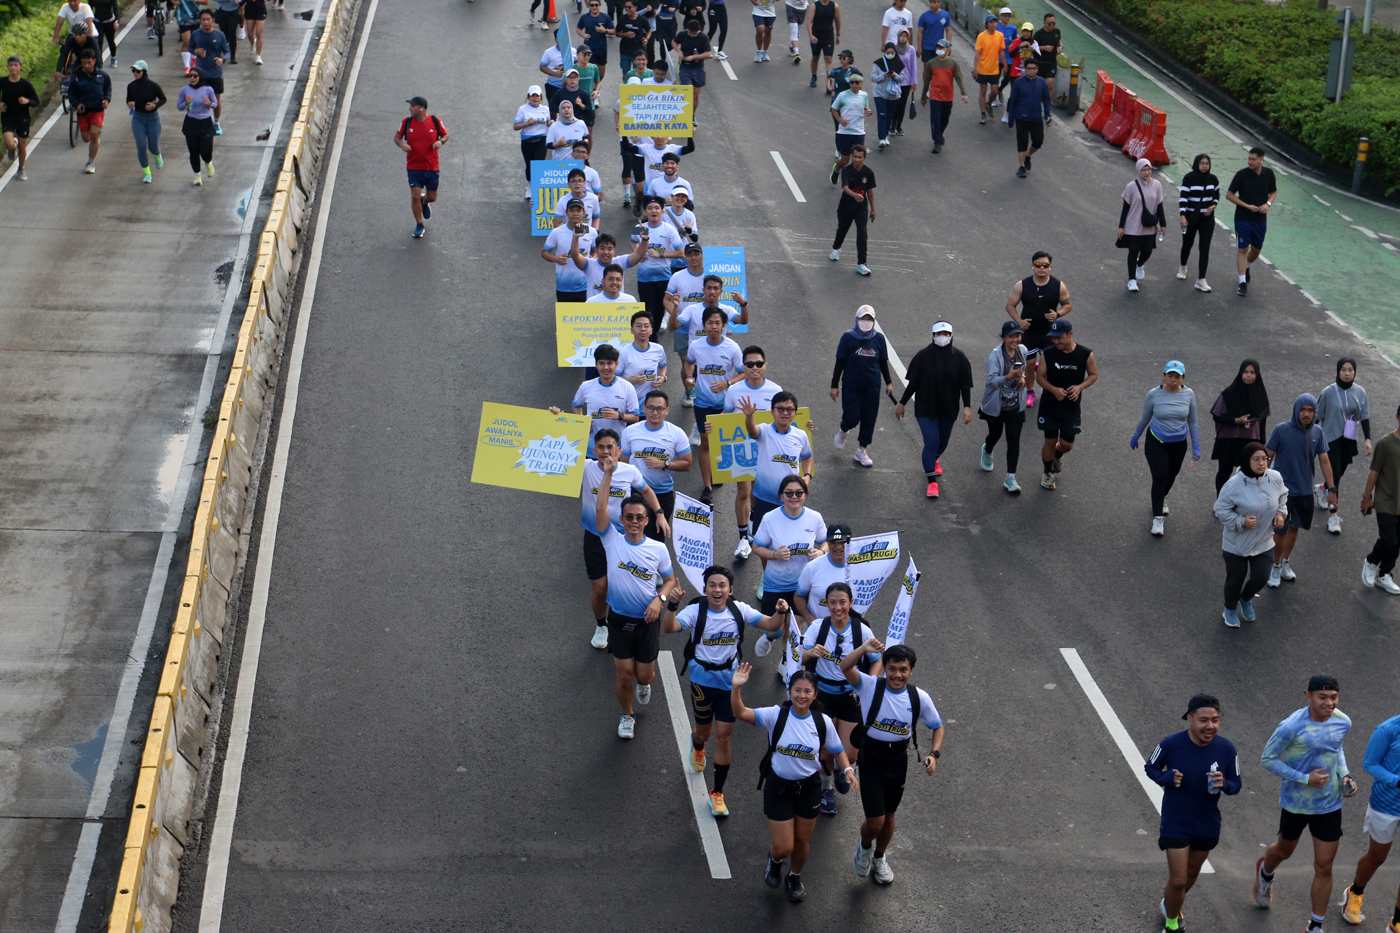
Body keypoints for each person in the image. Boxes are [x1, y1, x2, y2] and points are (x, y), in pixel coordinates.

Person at [660, 566, 787, 816]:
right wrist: (672, 605)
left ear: (731, 590)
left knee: (724, 738)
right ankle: (697, 744)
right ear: (705, 588)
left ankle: (717, 793)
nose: (717, 590)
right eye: (712, 585)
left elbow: (772, 623)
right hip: (701, 681)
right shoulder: (696, 611)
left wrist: (780, 612)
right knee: (705, 733)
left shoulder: (739, 610)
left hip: (730, 682)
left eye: (722, 586)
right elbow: (669, 628)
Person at [732, 663, 852, 903]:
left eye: (807, 691)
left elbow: (838, 749)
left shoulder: (823, 722)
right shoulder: (776, 715)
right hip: (779, 788)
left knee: (802, 843)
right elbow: (740, 713)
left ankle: (794, 877)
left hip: (809, 788)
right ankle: (774, 861)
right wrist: (736, 689)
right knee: (784, 846)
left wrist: (848, 769)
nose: (802, 695)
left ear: (815, 694)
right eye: (797, 690)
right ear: (789, 691)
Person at [1255, 674, 1358, 933]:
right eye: (1322, 697)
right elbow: (1268, 759)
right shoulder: (1291, 726)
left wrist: (1343, 775)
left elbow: (1337, 748)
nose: (1329, 703)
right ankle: (1266, 872)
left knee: (1324, 865)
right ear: (1308, 696)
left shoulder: (1343, 722)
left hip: (1329, 804)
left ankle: (1315, 926)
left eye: (1333, 697)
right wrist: (1304, 778)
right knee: (1284, 851)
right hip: (1295, 804)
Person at [838, 640, 943, 886]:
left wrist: (934, 754)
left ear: (911, 671)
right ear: (885, 668)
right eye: (892, 668)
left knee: (890, 816)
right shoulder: (870, 686)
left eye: (903, 669)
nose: (897, 674)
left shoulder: (920, 697)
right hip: (870, 758)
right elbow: (845, 666)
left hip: (897, 760)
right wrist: (864, 649)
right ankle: (864, 847)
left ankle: (879, 857)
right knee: (876, 821)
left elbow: (937, 727)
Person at [593, 459, 678, 740]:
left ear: (646, 520)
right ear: (622, 520)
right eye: (628, 517)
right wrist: (607, 474)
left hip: (647, 621)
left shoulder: (657, 550)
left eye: (639, 517)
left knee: (645, 677)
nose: (633, 522)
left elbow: (669, 580)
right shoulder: (611, 540)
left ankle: (645, 685)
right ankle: (627, 715)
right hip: (619, 619)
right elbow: (601, 508)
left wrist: (660, 599)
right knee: (624, 675)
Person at [1144, 695, 1241, 931]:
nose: (1210, 726)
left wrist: (1224, 784)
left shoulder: (1227, 748)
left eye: (1215, 720)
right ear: (1189, 719)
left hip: (1206, 824)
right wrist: (1166, 778)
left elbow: (1236, 784)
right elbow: (1150, 767)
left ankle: (1170, 904)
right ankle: (1172, 923)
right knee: (1178, 880)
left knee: (1189, 876)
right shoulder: (1170, 744)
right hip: (1176, 821)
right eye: (1203, 720)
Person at [577, 430, 667, 650]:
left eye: (610, 447)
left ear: (618, 450)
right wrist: (557, 418)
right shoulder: (587, 468)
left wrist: (660, 513)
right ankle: (602, 625)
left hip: (625, 538)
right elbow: (558, 452)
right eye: (600, 447)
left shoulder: (629, 471)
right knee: (600, 589)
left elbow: (647, 491)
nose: (605, 452)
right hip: (597, 536)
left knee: (626, 584)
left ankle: (633, 623)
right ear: (594, 449)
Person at [801, 582, 879, 816]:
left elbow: (877, 659)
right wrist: (810, 653)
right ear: (826, 604)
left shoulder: (861, 630)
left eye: (842, 602)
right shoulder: (818, 627)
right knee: (824, 749)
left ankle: (839, 769)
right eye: (832, 602)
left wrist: (868, 685)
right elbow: (799, 657)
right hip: (823, 695)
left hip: (850, 695)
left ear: (850, 603)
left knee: (851, 752)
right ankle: (826, 790)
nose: (837, 607)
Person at [1265, 393, 1337, 587]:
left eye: (1310, 410)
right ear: (1296, 411)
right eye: (1303, 410)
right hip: (1282, 492)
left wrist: (1332, 489)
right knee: (1280, 531)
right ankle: (1275, 565)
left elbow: (1324, 460)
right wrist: (1259, 482)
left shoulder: (1318, 433)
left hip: (1304, 492)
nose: (1306, 414)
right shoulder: (1281, 430)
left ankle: (1285, 562)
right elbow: (1267, 456)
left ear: (1315, 413)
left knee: (1294, 528)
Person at [1213, 442, 1287, 627]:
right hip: (1237, 543)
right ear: (1247, 461)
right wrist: (1241, 522)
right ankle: (1229, 609)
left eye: (1265, 459)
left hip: (1264, 541)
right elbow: (1220, 509)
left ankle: (1245, 599)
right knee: (1235, 579)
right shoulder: (1233, 485)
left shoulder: (1275, 478)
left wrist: (1280, 513)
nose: (1262, 463)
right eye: (1256, 459)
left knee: (1261, 577)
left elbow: (1283, 496)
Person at [896, 321, 972, 500]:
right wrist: (902, 403)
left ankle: (934, 458)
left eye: (946, 333)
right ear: (933, 335)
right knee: (932, 441)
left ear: (951, 335)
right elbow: (913, 383)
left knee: (942, 443)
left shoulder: (960, 358)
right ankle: (931, 481)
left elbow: (965, 385)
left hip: (948, 407)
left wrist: (967, 407)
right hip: (925, 407)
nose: (942, 337)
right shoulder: (922, 356)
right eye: (939, 334)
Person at [720, 348, 783, 559]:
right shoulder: (734, 391)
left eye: (759, 364)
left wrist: (805, 425)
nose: (754, 368)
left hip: (766, 450)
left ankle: (754, 522)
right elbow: (725, 416)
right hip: (740, 449)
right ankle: (743, 539)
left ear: (765, 366)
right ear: (743, 367)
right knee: (744, 492)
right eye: (750, 364)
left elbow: (786, 417)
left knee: (758, 492)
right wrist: (714, 427)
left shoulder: (775, 391)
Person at [1341, 713, 1400, 927]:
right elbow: (1370, 764)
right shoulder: (1387, 730)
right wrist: (1398, 781)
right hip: (1386, 804)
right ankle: (1355, 892)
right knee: (1377, 857)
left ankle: (1397, 921)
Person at [1129, 361, 1200, 536]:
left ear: (1183, 378)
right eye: (1170, 376)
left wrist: (1196, 447)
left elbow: (1192, 421)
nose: (1173, 380)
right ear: (1164, 375)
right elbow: (1145, 417)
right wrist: (1136, 436)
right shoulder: (1154, 394)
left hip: (1178, 443)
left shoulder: (1189, 394)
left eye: (1177, 376)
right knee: (1160, 476)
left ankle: (1163, 497)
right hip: (1156, 441)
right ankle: (1157, 518)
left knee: (1171, 474)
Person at [687, 307, 745, 505]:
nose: (714, 327)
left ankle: (718, 472)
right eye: (710, 323)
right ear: (704, 325)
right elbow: (689, 363)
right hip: (702, 402)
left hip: (726, 404)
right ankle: (707, 487)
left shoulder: (732, 348)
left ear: (723, 326)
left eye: (718, 323)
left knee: (721, 441)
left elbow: (743, 373)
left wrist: (727, 383)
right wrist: (689, 377)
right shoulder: (696, 346)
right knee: (705, 442)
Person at [1035, 319, 1097, 491]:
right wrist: (1053, 389)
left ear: (1070, 334)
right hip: (1050, 406)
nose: (1055, 342)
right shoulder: (1048, 353)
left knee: (1067, 445)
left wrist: (1080, 387)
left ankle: (1058, 455)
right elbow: (1040, 377)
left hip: (1071, 407)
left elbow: (1093, 374)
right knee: (1050, 441)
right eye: (1053, 338)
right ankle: (1047, 473)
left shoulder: (1085, 354)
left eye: (1059, 338)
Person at [621, 389, 692, 540]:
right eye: (651, 408)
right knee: (632, 536)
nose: (655, 412)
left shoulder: (676, 433)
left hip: (663, 494)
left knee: (656, 540)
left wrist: (665, 463)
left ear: (667, 410)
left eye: (660, 409)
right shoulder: (630, 431)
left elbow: (687, 463)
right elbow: (623, 464)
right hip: (635, 493)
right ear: (644, 409)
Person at [1005, 249, 1071, 407]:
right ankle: (1030, 391)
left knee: (1053, 363)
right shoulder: (1022, 285)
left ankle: (1052, 390)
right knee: (1028, 364)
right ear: (1032, 266)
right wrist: (1019, 321)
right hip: (1029, 333)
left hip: (1050, 334)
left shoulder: (1058, 285)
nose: (1042, 268)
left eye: (1045, 265)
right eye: (1038, 265)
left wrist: (1058, 314)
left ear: (1050, 267)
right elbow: (1010, 305)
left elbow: (1068, 304)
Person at [1314, 358, 1372, 536]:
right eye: (1344, 370)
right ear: (1338, 371)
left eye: (1351, 370)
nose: (1347, 373)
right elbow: (1316, 416)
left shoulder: (1360, 392)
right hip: (1330, 439)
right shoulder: (1328, 392)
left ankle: (1323, 488)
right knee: (1336, 475)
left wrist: (1368, 439)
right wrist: (1307, 437)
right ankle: (1334, 516)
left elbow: (1365, 416)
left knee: (1339, 471)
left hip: (1348, 438)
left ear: (1355, 372)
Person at [831, 305, 895, 468]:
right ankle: (843, 430)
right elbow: (840, 362)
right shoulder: (848, 337)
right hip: (851, 385)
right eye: (863, 319)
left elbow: (883, 362)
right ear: (856, 320)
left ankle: (862, 450)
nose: (866, 322)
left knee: (869, 418)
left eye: (869, 319)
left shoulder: (879, 339)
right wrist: (834, 385)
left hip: (872, 386)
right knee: (852, 415)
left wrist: (889, 382)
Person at [979, 320, 1029, 494]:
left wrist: (1021, 378)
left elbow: (1024, 371)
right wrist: (1009, 377)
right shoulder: (996, 356)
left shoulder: (1023, 350)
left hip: (1015, 404)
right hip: (997, 405)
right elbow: (992, 381)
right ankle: (987, 449)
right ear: (1004, 337)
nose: (1015, 340)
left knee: (1013, 440)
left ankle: (1011, 478)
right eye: (1011, 337)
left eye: (1018, 335)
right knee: (995, 434)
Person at [1209, 359, 1270, 494]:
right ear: (1240, 373)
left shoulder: (1260, 395)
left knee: (1248, 473)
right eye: (1245, 372)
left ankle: (1244, 502)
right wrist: (1237, 421)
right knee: (1224, 471)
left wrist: (1261, 444)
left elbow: (1263, 420)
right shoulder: (1229, 394)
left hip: (1250, 440)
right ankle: (1221, 502)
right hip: (1229, 439)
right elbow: (1217, 415)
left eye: (1252, 372)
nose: (1249, 375)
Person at [1226, 146, 1277, 297]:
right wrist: (1247, 206)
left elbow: (1273, 192)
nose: (1250, 161)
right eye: (1249, 158)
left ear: (1262, 160)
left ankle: (1247, 266)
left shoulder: (1269, 174)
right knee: (1243, 249)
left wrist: (1267, 205)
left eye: (1254, 159)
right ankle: (1242, 282)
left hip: (1260, 219)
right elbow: (1229, 195)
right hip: (1242, 218)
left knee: (1256, 250)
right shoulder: (1241, 175)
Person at [395, 96, 448, 240]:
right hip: (414, 166)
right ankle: (419, 225)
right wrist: (402, 145)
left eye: (413, 106)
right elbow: (397, 137)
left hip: (431, 166)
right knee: (414, 196)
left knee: (432, 197)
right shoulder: (407, 122)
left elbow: (445, 134)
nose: (410, 108)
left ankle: (425, 202)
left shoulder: (435, 121)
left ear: (421, 108)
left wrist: (440, 142)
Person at [1361, 402, 1400, 596]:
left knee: (1397, 543)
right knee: (1388, 538)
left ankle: (1385, 574)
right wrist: (1367, 498)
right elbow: (1374, 472)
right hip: (1386, 501)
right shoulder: (1385, 443)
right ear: (1397, 417)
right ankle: (1371, 561)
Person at [632, 196, 687, 330]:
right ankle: (651, 337)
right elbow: (633, 241)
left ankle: (654, 334)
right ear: (645, 212)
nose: (653, 211)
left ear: (662, 211)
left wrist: (661, 254)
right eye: (650, 208)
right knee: (648, 310)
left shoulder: (669, 229)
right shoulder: (639, 227)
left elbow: (681, 252)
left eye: (657, 208)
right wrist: (637, 253)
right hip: (644, 278)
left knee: (659, 310)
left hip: (664, 277)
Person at [1118, 158, 1167, 292]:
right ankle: (1132, 280)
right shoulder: (1131, 187)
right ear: (1138, 171)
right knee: (1133, 251)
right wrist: (1121, 226)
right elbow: (1125, 209)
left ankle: (1139, 265)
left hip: (1149, 226)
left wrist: (1163, 224)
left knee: (1147, 251)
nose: (1146, 173)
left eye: (1148, 169)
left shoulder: (1157, 185)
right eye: (1143, 170)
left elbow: (1159, 205)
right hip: (1134, 226)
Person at [791, 522, 850, 630]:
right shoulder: (812, 567)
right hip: (817, 631)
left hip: (847, 631)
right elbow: (798, 597)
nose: (838, 546)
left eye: (843, 542)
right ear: (828, 543)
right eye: (833, 542)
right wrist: (809, 618)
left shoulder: (859, 568)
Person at [830, 143, 875, 276]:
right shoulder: (846, 170)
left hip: (861, 208)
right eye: (854, 156)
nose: (856, 159)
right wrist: (854, 195)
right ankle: (836, 248)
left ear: (864, 158)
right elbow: (845, 187)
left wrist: (873, 209)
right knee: (842, 230)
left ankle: (862, 264)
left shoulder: (869, 172)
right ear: (851, 157)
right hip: (846, 206)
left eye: (859, 157)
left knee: (862, 233)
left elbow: (870, 191)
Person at [1177, 153, 1219, 292]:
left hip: (1207, 219)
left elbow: (1216, 196)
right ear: (1197, 164)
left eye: (1207, 163)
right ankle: (1183, 266)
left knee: (1204, 248)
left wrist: (1213, 206)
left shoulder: (1213, 179)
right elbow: (1183, 198)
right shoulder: (1189, 178)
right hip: (1191, 217)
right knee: (1187, 244)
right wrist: (1182, 216)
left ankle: (1201, 279)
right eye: (1202, 163)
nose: (1205, 166)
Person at [542, 199, 597, 301]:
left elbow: (595, 250)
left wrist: (594, 257)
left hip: (586, 286)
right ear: (566, 213)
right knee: (565, 317)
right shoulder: (557, 232)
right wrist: (556, 259)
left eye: (578, 210)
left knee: (584, 316)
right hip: (564, 286)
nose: (575, 213)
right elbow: (544, 252)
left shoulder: (592, 232)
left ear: (584, 213)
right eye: (572, 210)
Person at [68, 50, 111, 175]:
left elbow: (108, 89)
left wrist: (107, 100)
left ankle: (90, 163)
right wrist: (76, 104)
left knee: (94, 135)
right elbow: (71, 93)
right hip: (83, 112)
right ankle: (97, 130)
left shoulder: (102, 75)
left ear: (94, 61)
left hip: (97, 110)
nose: (86, 65)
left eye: (89, 62)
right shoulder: (76, 76)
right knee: (86, 138)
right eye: (83, 62)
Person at [187, 10, 229, 134]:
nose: (206, 22)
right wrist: (196, 52)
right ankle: (200, 120)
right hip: (200, 74)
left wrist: (222, 59)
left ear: (213, 20)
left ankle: (216, 122)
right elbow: (189, 47)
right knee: (198, 99)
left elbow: (227, 51)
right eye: (203, 19)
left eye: (208, 19)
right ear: (200, 21)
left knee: (216, 100)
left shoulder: (220, 35)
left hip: (215, 73)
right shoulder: (195, 34)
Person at [1007, 58, 1050, 179]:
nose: (1032, 71)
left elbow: (1046, 100)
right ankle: (1021, 167)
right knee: (1022, 143)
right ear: (1025, 69)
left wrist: (1048, 116)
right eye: (1029, 68)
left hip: (1036, 117)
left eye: (1034, 68)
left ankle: (1028, 156)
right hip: (1021, 118)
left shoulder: (1042, 82)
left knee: (1038, 141)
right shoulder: (1018, 83)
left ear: (1037, 69)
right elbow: (1013, 101)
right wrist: (1011, 118)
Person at [125, 61, 165, 183]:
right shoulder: (131, 86)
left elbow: (163, 99)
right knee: (141, 147)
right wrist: (130, 104)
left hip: (153, 119)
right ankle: (147, 173)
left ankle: (158, 154)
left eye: (138, 71)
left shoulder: (153, 86)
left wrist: (155, 106)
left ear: (144, 72)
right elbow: (128, 100)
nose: (135, 73)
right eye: (133, 71)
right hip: (138, 119)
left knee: (153, 147)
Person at [923, 38, 965, 153]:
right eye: (938, 47)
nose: (939, 50)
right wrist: (923, 96)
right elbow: (927, 81)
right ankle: (937, 142)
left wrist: (964, 93)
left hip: (948, 97)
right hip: (935, 96)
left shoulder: (953, 63)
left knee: (945, 119)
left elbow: (959, 78)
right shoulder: (931, 63)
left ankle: (939, 133)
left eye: (942, 47)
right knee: (935, 119)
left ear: (947, 49)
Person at [175, 67, 216, 186]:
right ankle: (197, 176)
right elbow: (179, 106)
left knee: (206, 151)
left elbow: (215, 103)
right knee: (193, 151)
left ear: (200, 77)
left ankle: (208, 162)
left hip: (205, 122)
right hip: (191, 122)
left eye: (195, 76)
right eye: (190, 76)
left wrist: (209, 103)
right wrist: (186, 103)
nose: (192, 78)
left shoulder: (208, 89)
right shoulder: (185, 90)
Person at [828, 72, 870, 185]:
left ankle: (854, 181)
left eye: (857, 82)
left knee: (858, 158)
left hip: (859, 132)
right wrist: (841, 120)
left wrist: (868, 111)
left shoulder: (864, 95)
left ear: (861, 83)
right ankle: (837, 169)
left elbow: (866, 108)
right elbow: (833, 109)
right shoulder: (843, 95)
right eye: (852, 82)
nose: (854, 84)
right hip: (844, 132)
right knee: (845, 160)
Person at [2, 56, 38, 182]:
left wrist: (27, 101)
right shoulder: (2, 82)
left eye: (16, 65)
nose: (13, 68)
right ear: (7, 67)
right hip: (7, 117)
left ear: (21, 67)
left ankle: (21, 168)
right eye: (11, 65)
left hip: (23, 118)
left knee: (23, 147)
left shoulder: (25, 84)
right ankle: (12, 146)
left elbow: (36, 101)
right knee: (10, 143)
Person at [514, 86, 550, 199]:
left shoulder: (545, 109)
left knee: (538, 165)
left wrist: (551, 123)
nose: (535, 98)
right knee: (529, 165)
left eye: (537, 96)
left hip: (541, 139)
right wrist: (526, 123)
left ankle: (538, 188)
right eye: (532, 96)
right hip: (527, 140)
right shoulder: (523, 109)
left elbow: (548, 122)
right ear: (528, 97)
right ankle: (530, 186)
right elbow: (515, 126)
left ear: (541, 97)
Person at [617, 312, 668, 393]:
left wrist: (663, 377)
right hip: (630, 400)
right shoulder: (623, 352)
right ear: (632, 330)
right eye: (638, 326)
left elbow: (663, 366)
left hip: (651, 400)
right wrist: (631, 380)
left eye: (646, 326)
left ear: (651, 330)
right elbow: (615, 377)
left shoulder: (659, 349)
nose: (643, 329)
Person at [674, 18, 713, 114]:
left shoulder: (703, 37)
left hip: (697, 67)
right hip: (685, 66)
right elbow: (674, 42)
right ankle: (685, 113)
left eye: (694, 34)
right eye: (690, 33)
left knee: (696, 93)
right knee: (687, 89)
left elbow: (708, 54)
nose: (691, 35)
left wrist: (694, 57)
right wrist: (679, 52)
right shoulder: (683, 34)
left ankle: (692, 114)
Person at [869, 43, 902, 149]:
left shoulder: (899, 64)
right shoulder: (878, 63)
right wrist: (883, 76)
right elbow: (873, 78)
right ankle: (882, 138)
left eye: (892, 53)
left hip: (893, 95)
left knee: (889, 116)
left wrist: (894, 75)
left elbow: (902, 78)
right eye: (888, 52)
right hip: (879, 94)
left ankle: (886, 135)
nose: (890, 54)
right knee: (882, 115)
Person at [972, 15, 1005, 124]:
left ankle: (988, 104)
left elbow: (1001, 52)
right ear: (987, 24)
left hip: (994, 69)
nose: (993, 24)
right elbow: (977, 53)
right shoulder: (981, 36)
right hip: (982, 69)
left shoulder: (1000, 36)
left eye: (995, 22)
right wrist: (975, 68)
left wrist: (1005, 65)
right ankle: (983, 114)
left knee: (995, 91)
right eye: (991, 22)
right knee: (983, 91)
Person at [916, 0, 950, 97]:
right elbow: (920, 32)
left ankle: (935, 87)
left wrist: (949, 45)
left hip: (939, 47)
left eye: (934, 2)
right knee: (927, 67)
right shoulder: (924, 16)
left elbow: (948, 29)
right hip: (926, 46)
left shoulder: (945, 15)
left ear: (939, 3)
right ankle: (927, 87)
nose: (932, 4)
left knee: (938, 68)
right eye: (931, 2)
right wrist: (919, 47)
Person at [887, 30, 917, 138]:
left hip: (907, 82)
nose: (903, 38)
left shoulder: (911, 49)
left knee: (902, 105)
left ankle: (899, 126)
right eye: (901, 36)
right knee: (894, 104)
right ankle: (892, 125)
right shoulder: (894, 49)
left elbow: (914, 66)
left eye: (905, 36)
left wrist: (914, 82)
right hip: (896, 80)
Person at [578, 0, 615, 80]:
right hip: (589, 50)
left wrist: (605, 31)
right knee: (590, 72)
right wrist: (583, 35)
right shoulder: (584, 17)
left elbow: (614, 31)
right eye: (592, 5)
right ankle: (593, 88)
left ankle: (597, 85)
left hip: (602, 49)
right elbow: (578, 28)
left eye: (596, 5)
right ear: (589, 6)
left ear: (600, 5)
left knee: (601, 74)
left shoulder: (605, 17)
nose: (594, 7)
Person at [553, 70, 595, 139]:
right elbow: (552, 106)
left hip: (577, 123)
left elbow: (590, 111)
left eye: (575, 78)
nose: (573, 80)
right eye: (570, 78)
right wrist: (562, 108)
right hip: (563, 123)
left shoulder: (583, 94)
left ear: (578, 79)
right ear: (566, 80)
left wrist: (582, 105)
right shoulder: (560, 93)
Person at [806, 0, 839, 88]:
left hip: (828, 36)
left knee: (828, 58)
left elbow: (837, 21)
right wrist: (811, 36)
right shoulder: (815, 6)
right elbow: (809, 21)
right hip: (816, 35)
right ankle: (814, 76)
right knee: (815, 57)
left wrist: (838, 34)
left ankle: (829, 82)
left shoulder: (834, 6)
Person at [1032, 12, 1061, 82]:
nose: (1052, 25)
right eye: (1049, 24)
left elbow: (1059, 39)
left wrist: (1060, 46)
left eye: (1053, 24)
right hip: (1041, 62)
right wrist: (1044, 48)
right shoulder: (1038, 34)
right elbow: (1032, 47)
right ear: (1045, 23)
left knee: (1050, 84)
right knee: (1039, 84)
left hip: (1052, 63)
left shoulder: (1057, 31)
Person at [212, 0, 242, 65]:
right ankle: (223, 53)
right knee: (223, 34)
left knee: (232, 33)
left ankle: (233, 56)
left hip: (234, 12)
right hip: (222, 12)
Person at [91, 0, 120, 66]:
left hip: (109, 21)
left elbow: (115, 7)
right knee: (99, 41)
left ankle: (113, 57)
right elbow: (90, 8)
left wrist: (117, 21)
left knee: (110, 41)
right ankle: (99, 60)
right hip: (97, 21)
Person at [242, 0, 266, 65]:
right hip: (249, 10)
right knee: (250, 34)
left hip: (261, 9)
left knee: (259, 33)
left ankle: (258, 56)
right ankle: (252, 43)